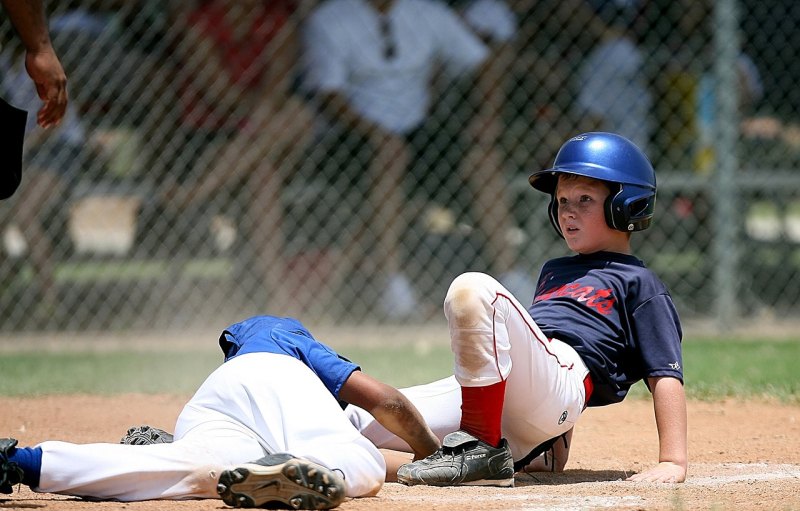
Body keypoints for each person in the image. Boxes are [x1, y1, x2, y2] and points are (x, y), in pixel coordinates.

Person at [347, 132, 688, 485]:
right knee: (353, 421)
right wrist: (551, 445)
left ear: (627, 205)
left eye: (584, 199)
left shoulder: (638, 280)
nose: (568, 211)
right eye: (562, 201)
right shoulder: (554, 270)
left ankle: (481, 447)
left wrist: (673, 461)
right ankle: (471, 458)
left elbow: (664, 373)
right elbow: (536, 349)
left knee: (474, 290)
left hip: (560, 388)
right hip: (507, 393)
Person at [0, 315, 440, 509]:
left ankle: (22, 463)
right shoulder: (282, 332)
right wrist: (435, 453)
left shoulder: (240, 371)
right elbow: (388, 402)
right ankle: (297, 472)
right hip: (271, 377)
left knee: (190, 471)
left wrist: (414, 469)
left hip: (211, 405)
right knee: (359, 464)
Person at [303, 0, 526, 319]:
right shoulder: (329, 19)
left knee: (481, 157)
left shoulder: (427, 12)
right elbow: (328, 94)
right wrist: (376, 134)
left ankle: (512, 277)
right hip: (351, 136)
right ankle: (393, 286)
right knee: (390, 154)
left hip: (419, 133)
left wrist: (487, 115)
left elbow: (484, 61)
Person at [1, 0, 68, 199]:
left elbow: (56, 123)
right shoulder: (6, 63)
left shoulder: (38, 68)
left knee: (24, 216)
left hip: (55, 147)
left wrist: (41, 49)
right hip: (27, 146)